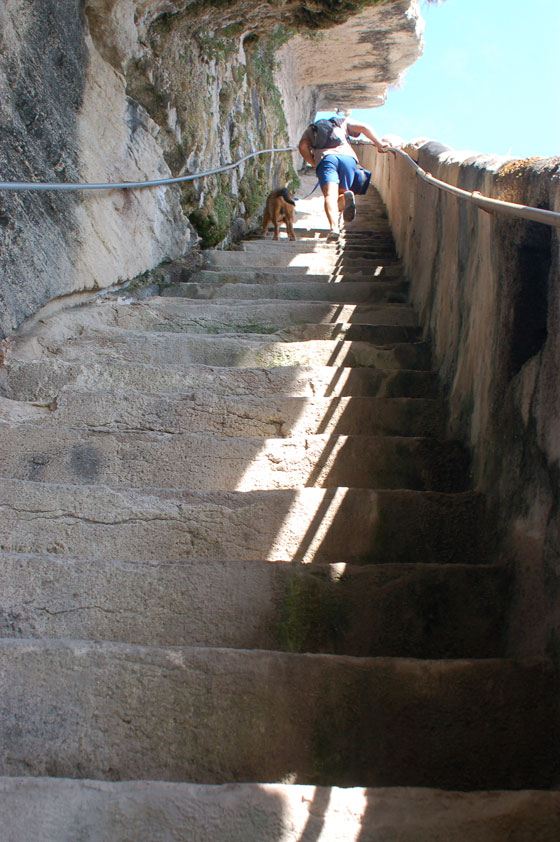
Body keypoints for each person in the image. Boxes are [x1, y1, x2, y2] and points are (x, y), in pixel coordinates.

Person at [298, 113, 391, 242]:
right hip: (348, 158)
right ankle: (346, 196)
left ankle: (334, 228)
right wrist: (379, 144)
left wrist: (314, 163)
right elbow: (364, 127)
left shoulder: (312, 129)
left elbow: (302, 146)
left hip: (327, 159)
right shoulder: (341, 122)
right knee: (341, 192)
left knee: (330, 195)